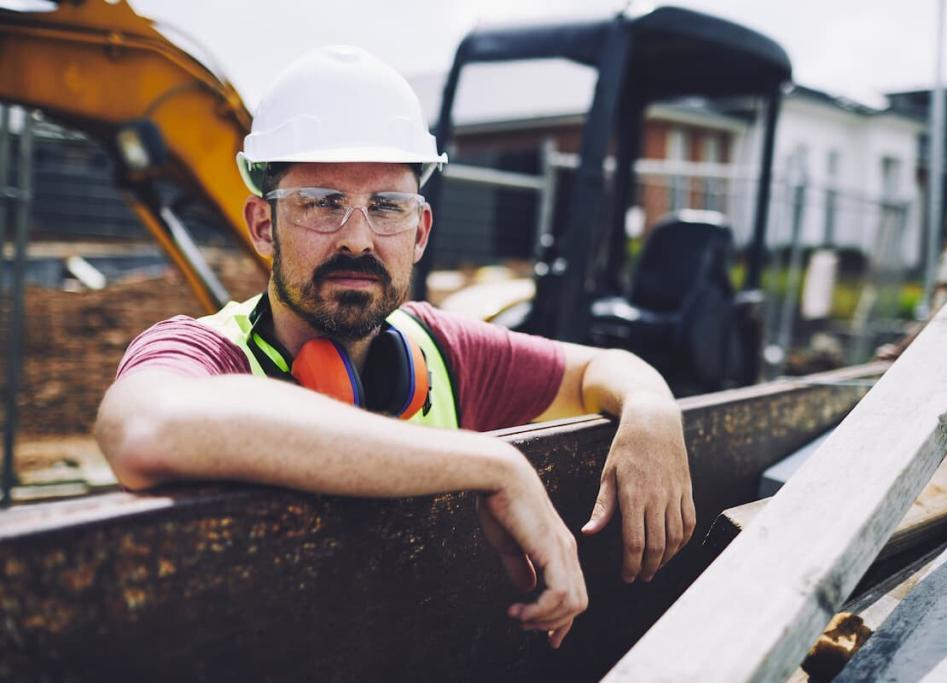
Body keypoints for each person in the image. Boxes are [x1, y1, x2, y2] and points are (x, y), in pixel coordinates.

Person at [95, 45, 695, 650]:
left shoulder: (444, 347)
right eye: (323, 203)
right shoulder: (203, 350)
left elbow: (598, 367)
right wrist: (489, 464)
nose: (357, 238)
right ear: (261, 225)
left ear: (420, 232)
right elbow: (144, 427)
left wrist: (650, 407)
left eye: (387, 207)